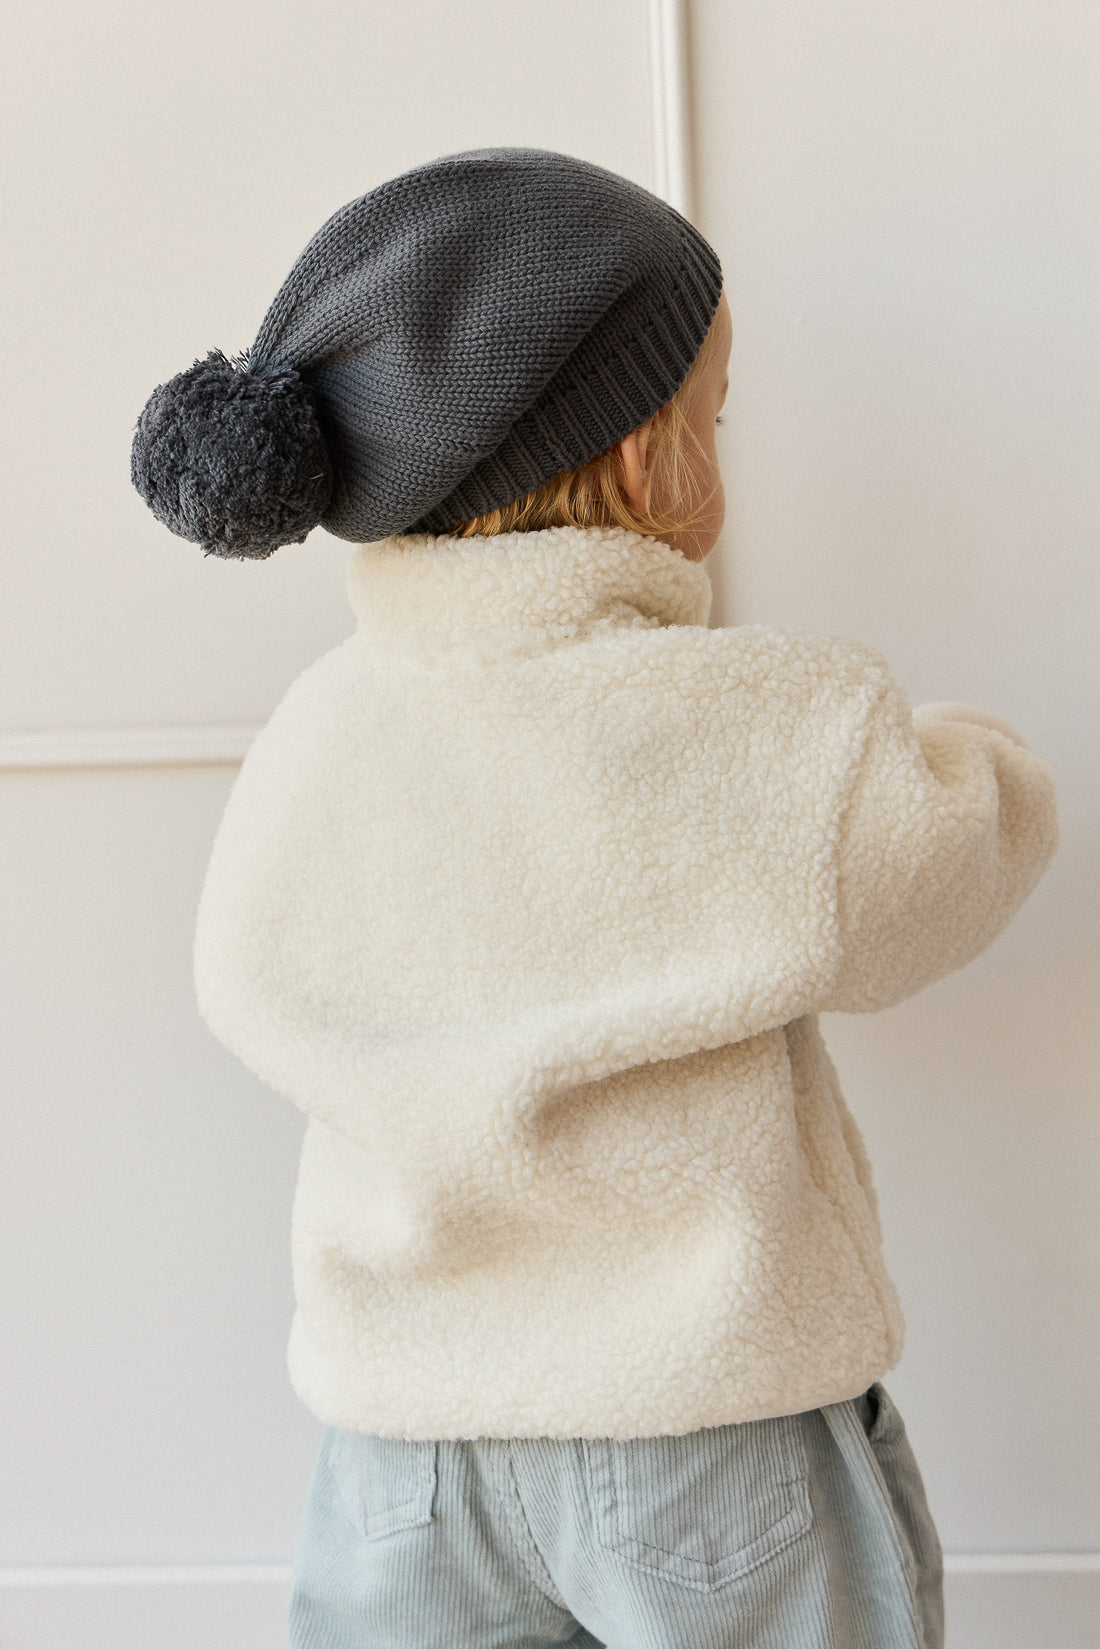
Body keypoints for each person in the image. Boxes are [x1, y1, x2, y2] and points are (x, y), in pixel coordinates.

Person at [131, 148, 1058, 1649]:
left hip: (405, 1457)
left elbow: (243, 978)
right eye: (717, 416)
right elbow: (953, 853)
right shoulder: (759, 724)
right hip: (709, 1433)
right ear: (642, 464)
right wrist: (969, 742)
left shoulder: (319, 736)